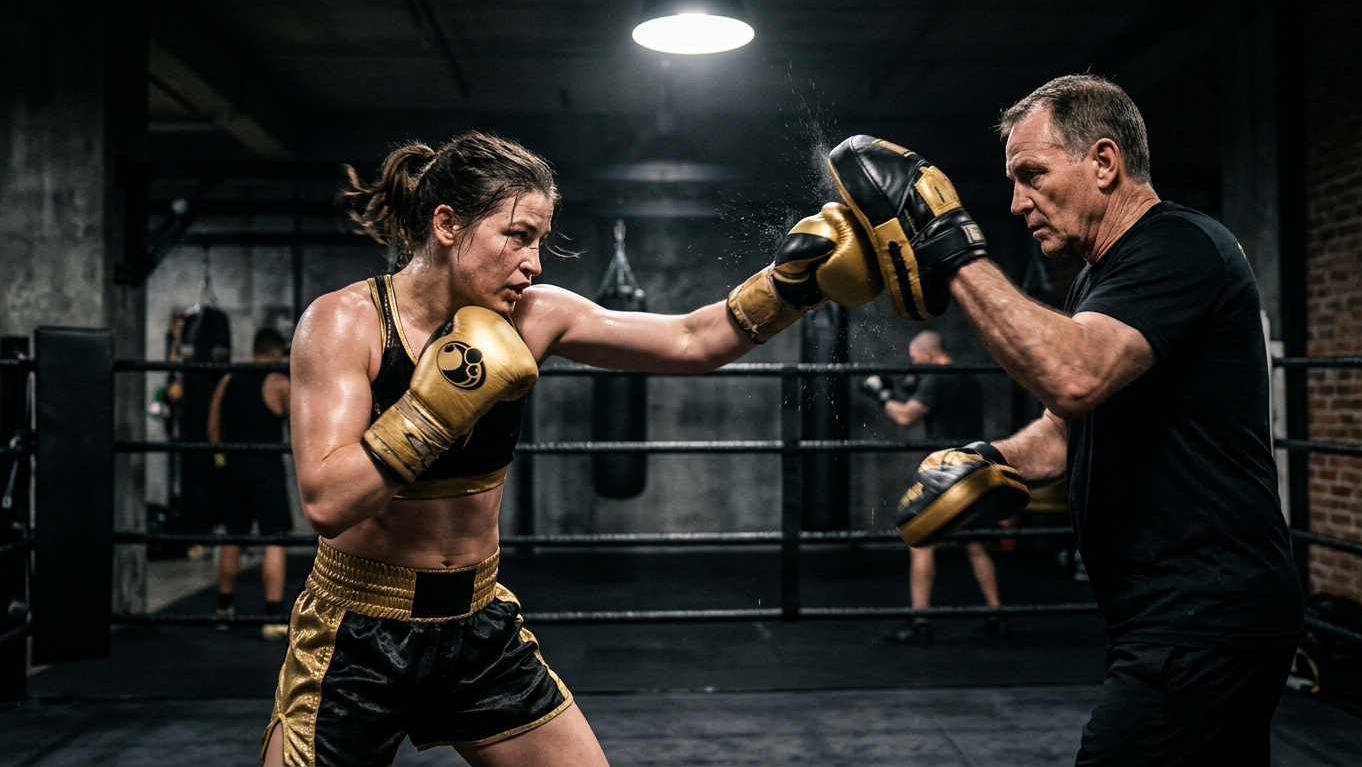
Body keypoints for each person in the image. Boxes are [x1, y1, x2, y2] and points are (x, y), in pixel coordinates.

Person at [264, 131, 879, 766]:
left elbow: (694, 341)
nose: (534, 262)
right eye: (517, 235)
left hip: (479, 630)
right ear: (447, 224)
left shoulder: (536, 315)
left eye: (539, 241)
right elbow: (327, 500)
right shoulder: (345, 323)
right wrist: (433, 410)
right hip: (357, 632)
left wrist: (788, 287)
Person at [827, 75, 1305, 765]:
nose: (1019, 202)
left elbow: (1073, 375)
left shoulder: (1177, 247)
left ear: (1103, 163)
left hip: (1206, 613)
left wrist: (948, 244)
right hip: (1169, 612)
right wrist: (990, 460)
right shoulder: (1097, 280)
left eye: (1032, 175)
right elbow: (1062, 425)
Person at [861, 330, 1004, 645]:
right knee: (975, 543)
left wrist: (881, 394)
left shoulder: (936, 379)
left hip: (944, 471)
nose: (913, 363)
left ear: (926, 354)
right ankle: (997, 614)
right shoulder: (968, 378)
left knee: (920, 540)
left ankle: (921, 622)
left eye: (915, 358)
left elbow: (905, 417)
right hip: (973, 467)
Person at [208, 327, 293, 640]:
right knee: (275, 539)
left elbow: (213, 424)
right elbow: (299, 426)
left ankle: (223, 610)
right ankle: (272, 616)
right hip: (265, 468)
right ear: (278, 352)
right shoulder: (278, 382)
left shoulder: (229, 379)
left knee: (233, 535)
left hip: (232, 467)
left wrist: (221, 462)